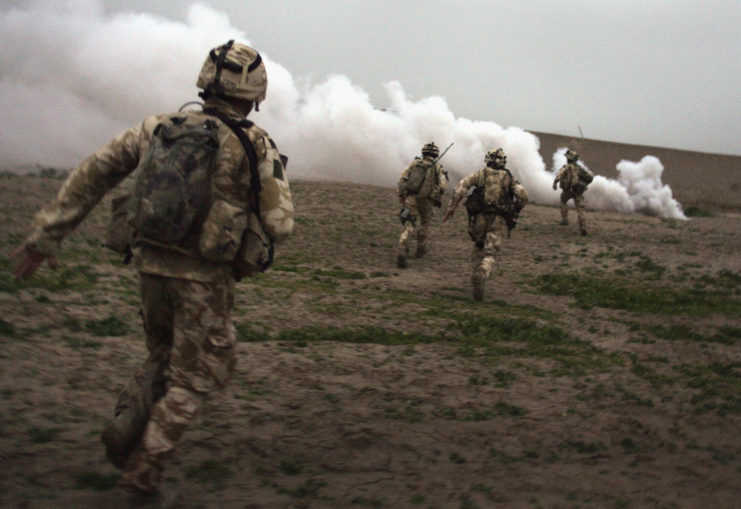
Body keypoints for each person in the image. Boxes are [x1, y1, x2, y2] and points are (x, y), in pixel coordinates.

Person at [11, 40, 294, 496]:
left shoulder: (158, 128)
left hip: (148, 263)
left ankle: (127, 427)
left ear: (205, 83)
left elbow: (95, 170)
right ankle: (147, 464)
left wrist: (48, 234)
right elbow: (281, 223)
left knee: (163, 352)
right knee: (201, 369)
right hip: (204, 277)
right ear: (256, 93)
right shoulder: (254, 143)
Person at [443, 148, 528, 301]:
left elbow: (460, 188)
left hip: (479, 218)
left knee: (478, 245)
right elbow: (523, 196)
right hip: (498, 219)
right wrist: (516, 210)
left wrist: (451, 208)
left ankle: (475, 274)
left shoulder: (480, 174)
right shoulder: (509, 178)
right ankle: (483, 272)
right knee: (491, 252)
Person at [396, 142, 448, 268]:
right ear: (435, 154)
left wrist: (401, 195)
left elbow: (402, 179)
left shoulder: (415, 164)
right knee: (425, 223)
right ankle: (420, 248)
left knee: (409, 222)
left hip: (411, 197)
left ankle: (403, 246)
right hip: (427, 200)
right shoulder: (437, 167)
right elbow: (443, 185)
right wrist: (436, 195)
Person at [552, 149, 593, 236]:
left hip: (568, 190)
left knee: (563, 201)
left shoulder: (566, 167)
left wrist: (555, 183)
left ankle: (565, 219)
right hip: (578, 191)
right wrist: (585, 184)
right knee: (580, 210)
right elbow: (590, 177)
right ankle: (583, 228)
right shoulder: (579, 168)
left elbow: (560, 175)